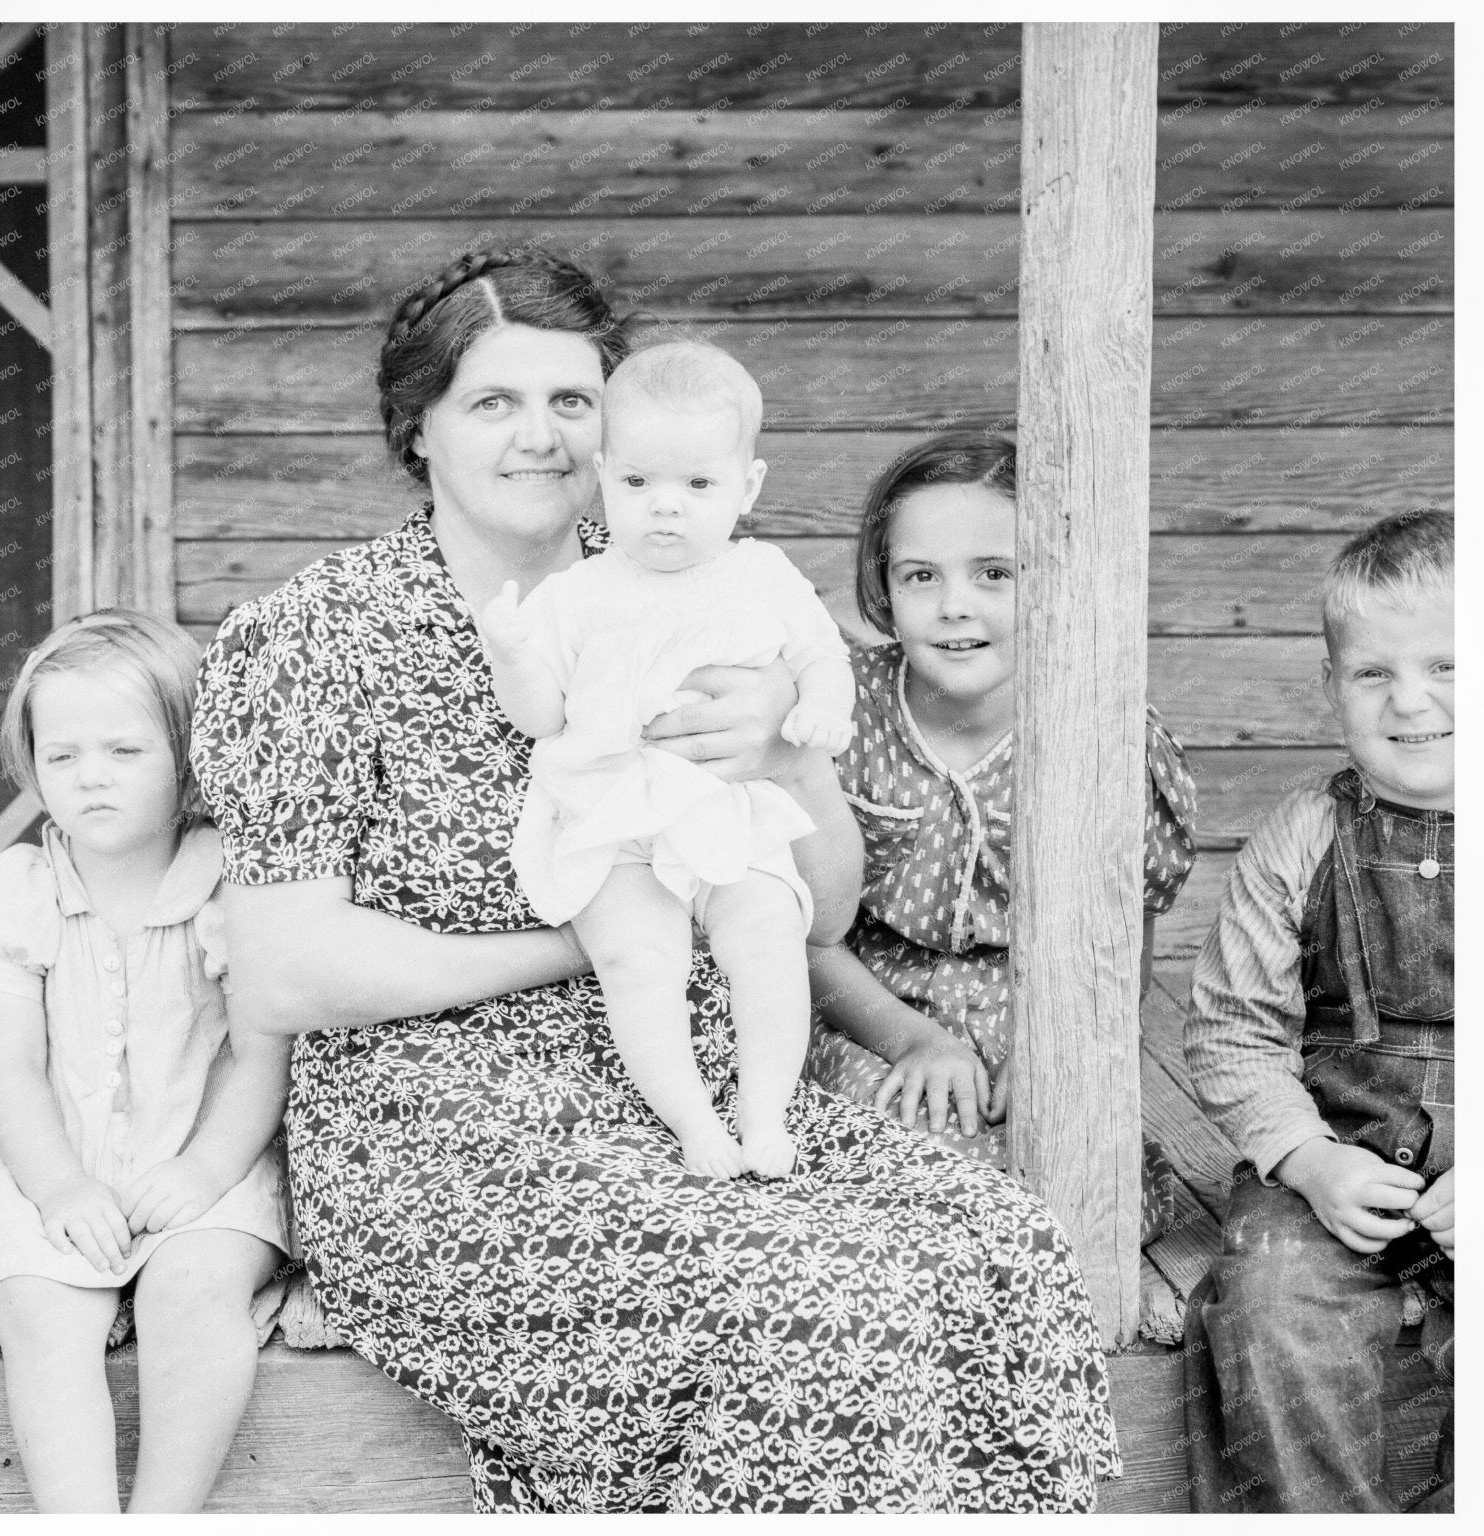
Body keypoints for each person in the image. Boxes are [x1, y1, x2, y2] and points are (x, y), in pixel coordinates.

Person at [191, 248, 1121, 1511]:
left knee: (992, 1246)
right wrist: (597, 942)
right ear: (417, 428)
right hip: (445, 1127)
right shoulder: (312, 637)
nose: (540, 437)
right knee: (807, 1310)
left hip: (712, 1090)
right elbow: (283, 971)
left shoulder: (707, 585)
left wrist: (785, 757)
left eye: (571, 402)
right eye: (492, 402)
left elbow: (822, 912)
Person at [0, 610, 294, 1513]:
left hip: (208, 1153)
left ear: (190, 755)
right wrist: (59, 1188)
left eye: (125, 751)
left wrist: (202, 1171)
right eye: (62, 755)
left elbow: (263, 1056)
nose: (90, 776)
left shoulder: (234, 886)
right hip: (58, 1157)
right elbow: (12, 1067)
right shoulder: (20, 890)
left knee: (195, 1288)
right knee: (39, 1310)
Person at [476, 339, 852, 1179]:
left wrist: (822, 706)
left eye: (699, 485)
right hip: (616, 815)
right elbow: (540, 717)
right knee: (637, 959)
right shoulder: (576, 595)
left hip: (723, 805)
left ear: (748, 487)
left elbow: (821, 655)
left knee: (769, 936)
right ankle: (692, 1122)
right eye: (639, 482)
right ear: (603, 476)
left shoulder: (763, 575)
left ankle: (764, 1111)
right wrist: (512, 654)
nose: (666, 508)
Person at [803, 432, 1199, 1181]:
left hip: (1039, 1013)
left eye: (995, 573)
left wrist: (1063, 1044)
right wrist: (911, 1040)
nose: (955, 607)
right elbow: (802, 933)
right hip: (866, 1010)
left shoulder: (1103, 730)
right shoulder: (836, 713)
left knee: (1080, 1178)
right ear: (883, 587)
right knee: (902, 1162)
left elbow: (1123, 933)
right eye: (921, 576)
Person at [1181, 509, 1454, 1513]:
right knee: (1267, 1298)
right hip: (1335, 1167)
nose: (1409, 699)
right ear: (1329, 686)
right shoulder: (1303, 834)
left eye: (1445, 665)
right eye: (1372, 672)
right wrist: (1307, 1161)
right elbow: (1231, 1031)